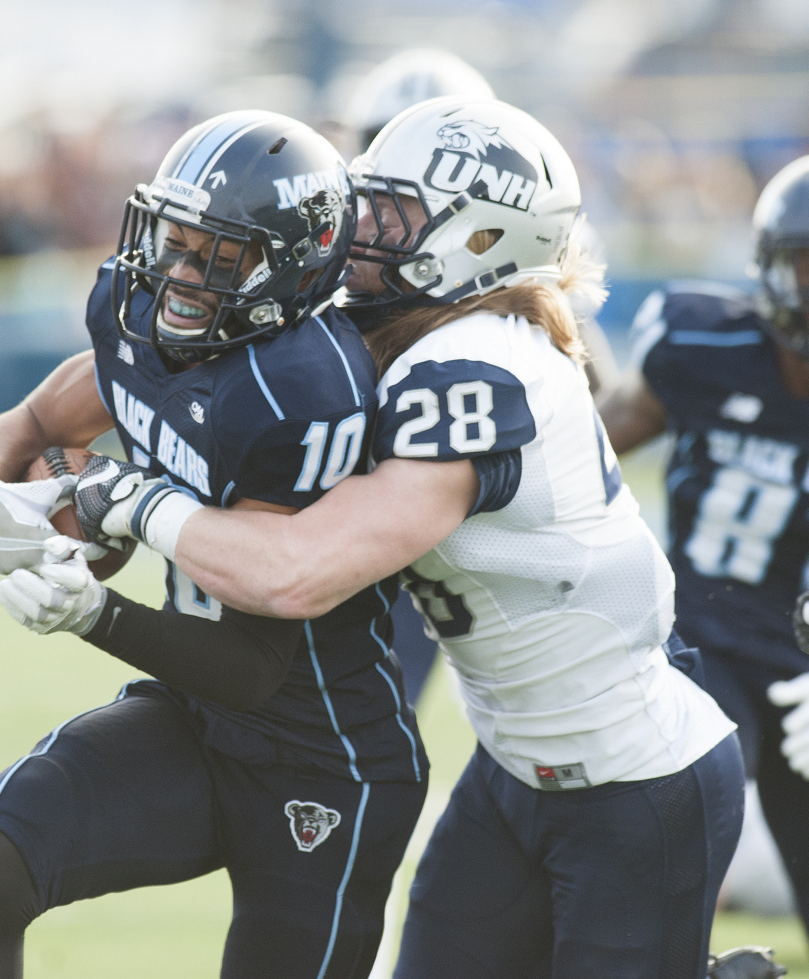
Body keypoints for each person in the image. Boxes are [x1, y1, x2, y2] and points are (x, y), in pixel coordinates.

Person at [73, 97, 747, 979]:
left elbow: (296, 575)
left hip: (636, 781)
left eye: (392, 212)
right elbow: (132, 387)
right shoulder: (396, 333)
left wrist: (129, 496)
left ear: (478, 237)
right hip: (511, 770)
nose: (361, 230)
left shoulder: (478, 369)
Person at [0, 109, 429, 979]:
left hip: (323, 749)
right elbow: (34, 423)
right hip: (198, 713)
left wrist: (93, 612)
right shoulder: (140, 312)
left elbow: (255, 662)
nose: (180, 273)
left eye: (216, 254)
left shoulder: (300, 388)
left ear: (291, 263)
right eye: (175, 239)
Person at [339, 47, 620, 708]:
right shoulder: (356, 235)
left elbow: (591, 383)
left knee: (377, 706)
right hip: (371, 503)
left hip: (430, 517)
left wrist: (498, 473)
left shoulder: (510, 304)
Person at [597, 154, 809, 944]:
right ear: (771, 269)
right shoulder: (701, 342)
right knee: (686, 821)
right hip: (699, 632)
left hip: (802, 661)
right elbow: (582, 458)